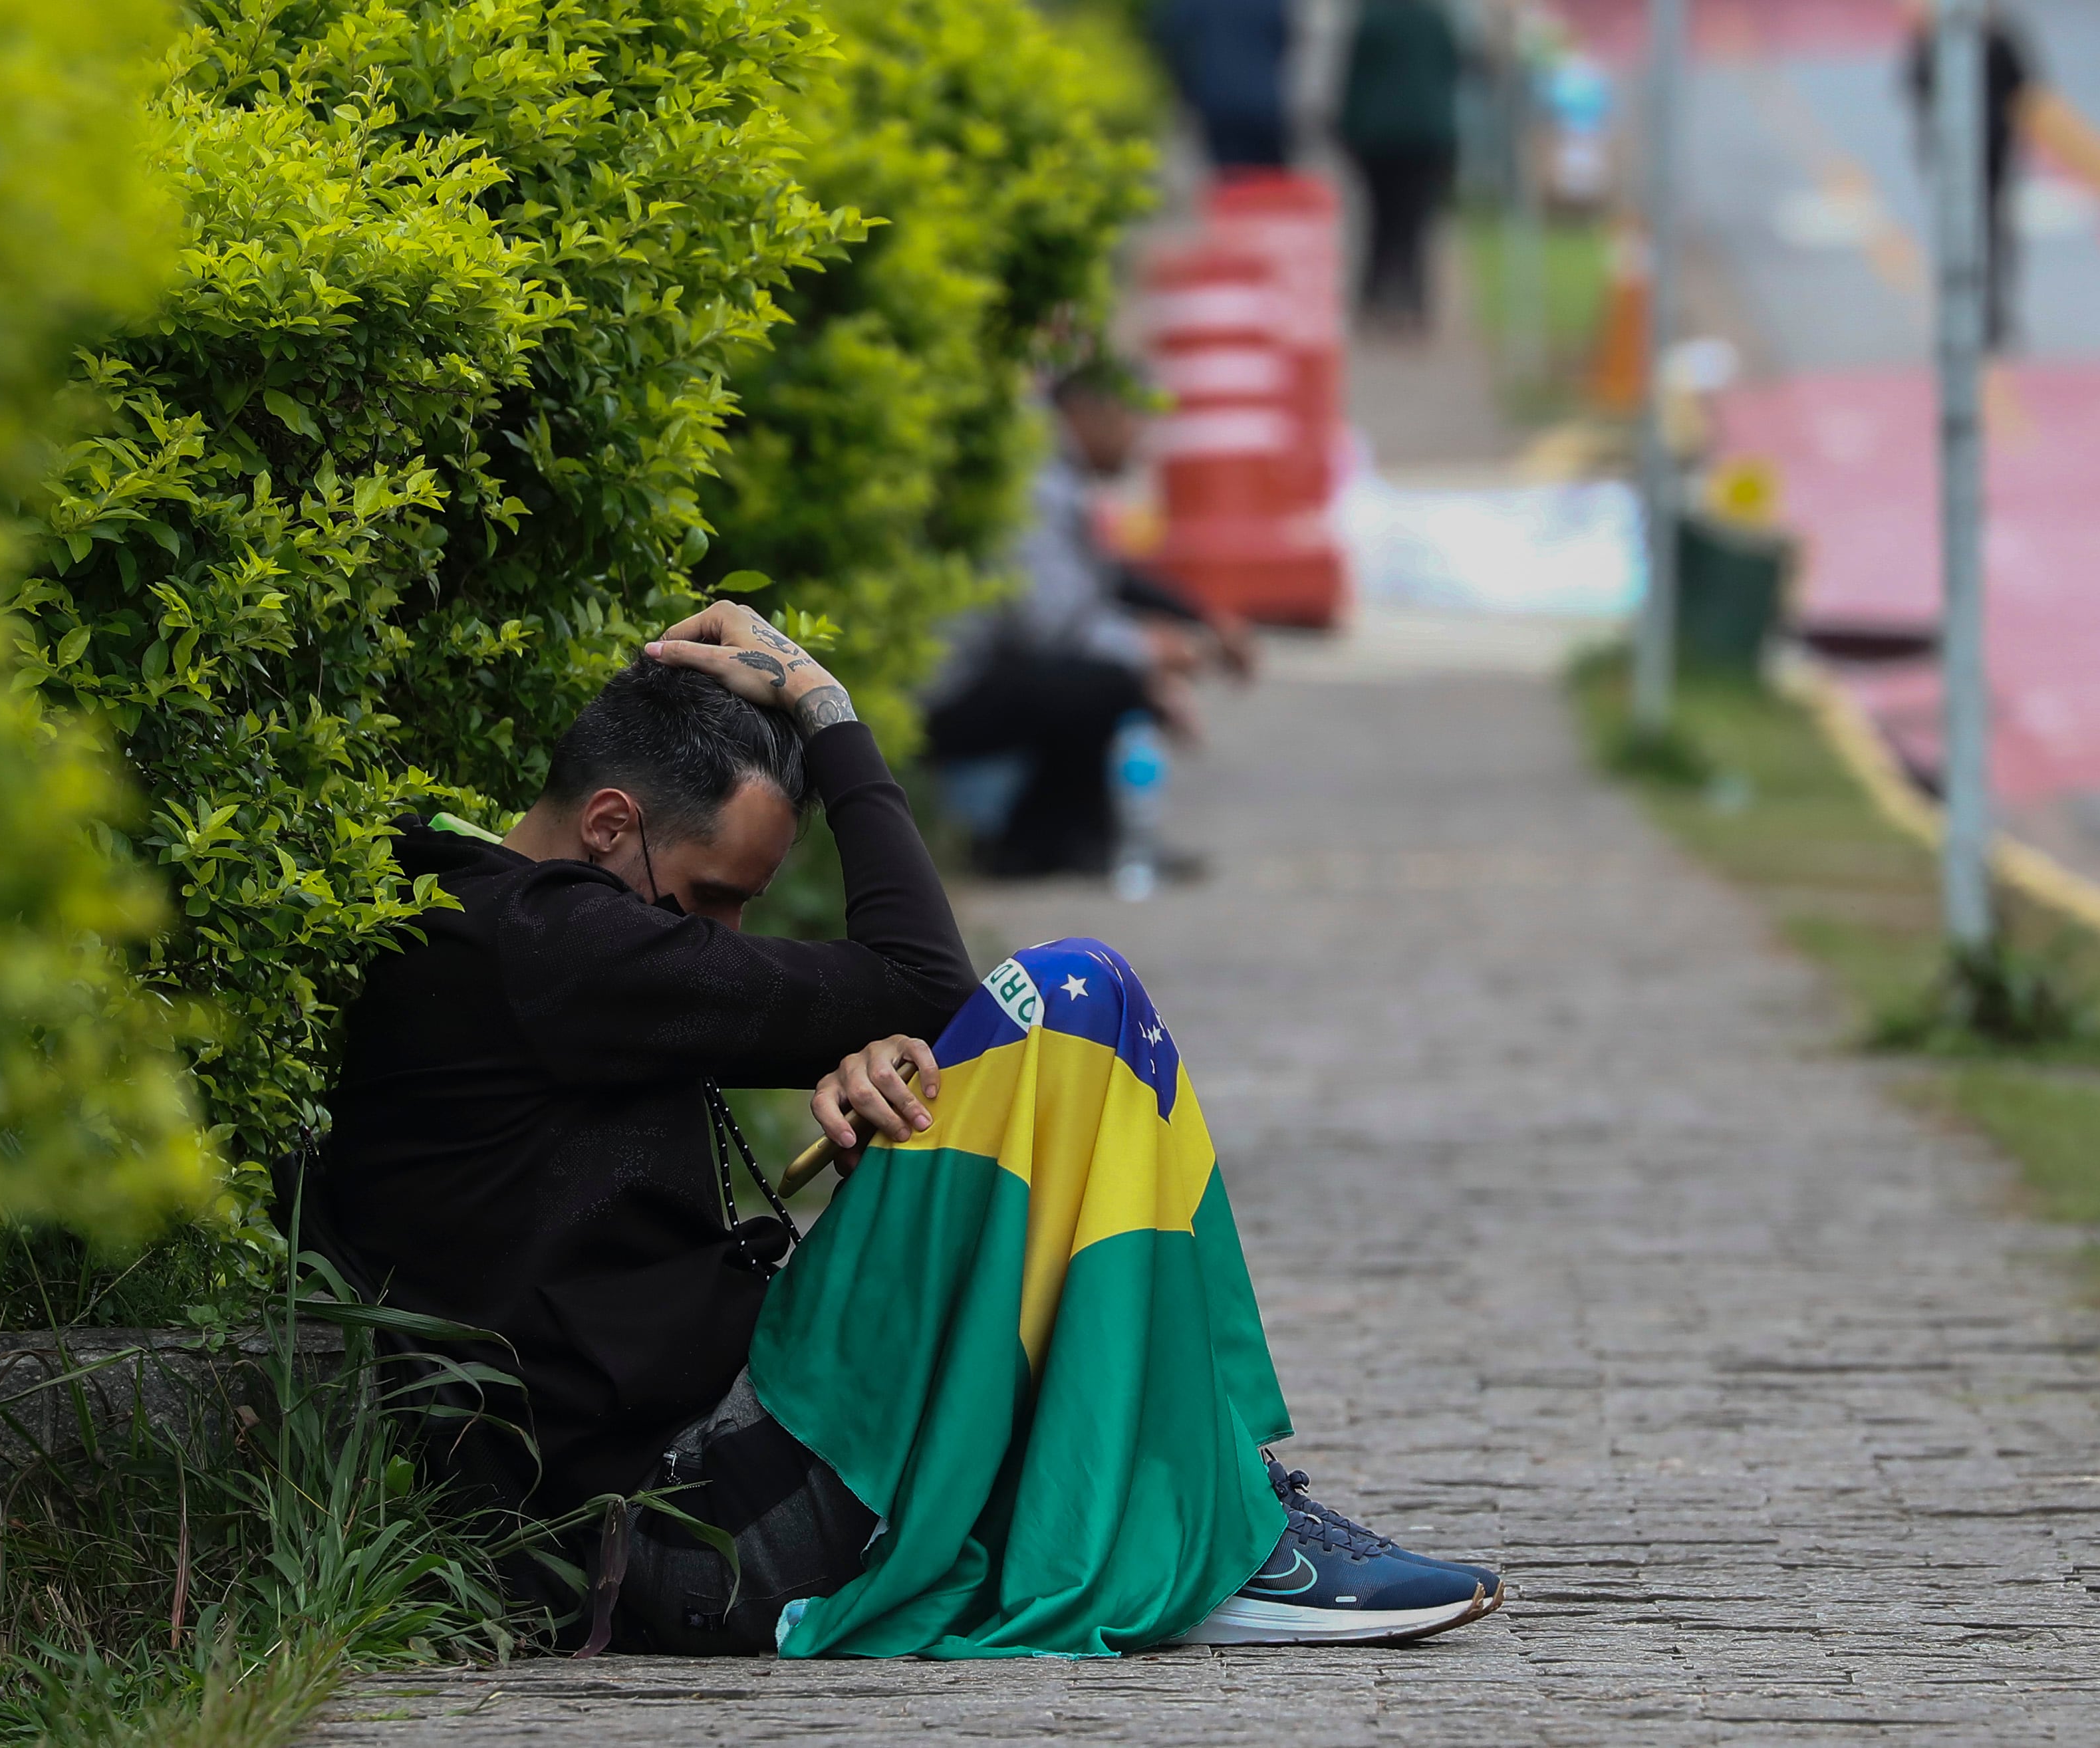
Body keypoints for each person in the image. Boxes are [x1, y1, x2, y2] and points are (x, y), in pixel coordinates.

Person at [308, 607, 1497, 1654]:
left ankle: (1217, 1501)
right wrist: (828, 714)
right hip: (687, 1526)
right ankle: (1214, 1530)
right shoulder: (540, 943)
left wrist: (876, 1062)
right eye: (711, 895)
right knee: (1074, 998)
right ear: (610, 822)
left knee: (1036, 1064)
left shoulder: (507, 933)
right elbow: (927, 977)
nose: (718, 938)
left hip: (711, 1469)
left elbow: (903, 1010)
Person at [923, 363, 1251, 879]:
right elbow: (1049, 624)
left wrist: (1199, 619)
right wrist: (1148, 655)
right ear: (1086, 412)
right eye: (1132, 420)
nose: (1140, 441)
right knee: (1107, 682)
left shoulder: (1054, 469)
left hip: (983, 669)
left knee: (1107, 676)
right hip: (941, 690)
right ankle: (1039, 845)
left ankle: (1076, 841)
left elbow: (1101, 578)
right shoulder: (1034, 479)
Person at [1903, 3, 2037, 353]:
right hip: (1957, 158)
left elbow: (2025, 83)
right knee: (1961, 238)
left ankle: (1989, 317)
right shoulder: (1939, 41)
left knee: (1990, 237)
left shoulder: (1996, 38)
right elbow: (1916, 86)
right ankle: (1965, 316)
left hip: (1991, 154)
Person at [1339, 0, 1462, 335]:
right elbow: (1452, 71)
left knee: (1380, 222)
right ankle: (1414, 305)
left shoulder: (1371, 19)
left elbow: (1353, 79)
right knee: (1414, 224)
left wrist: (1346, 131)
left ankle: (1373, 301)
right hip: (1426, 136)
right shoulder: (1436, 21)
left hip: (1378, 136)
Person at [1155, 0, 1292, 173]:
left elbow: (1172, 37)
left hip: (1217, 97)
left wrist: (1186, 88)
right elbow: (1284, 38)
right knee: (1269, 179)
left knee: (1232, 176)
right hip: (1265, 100)